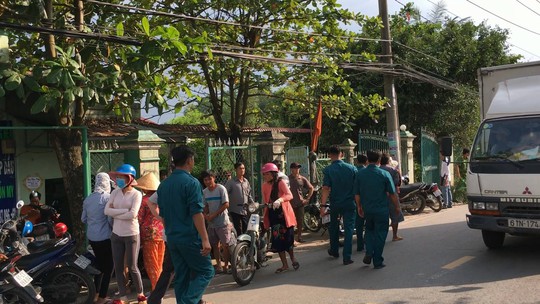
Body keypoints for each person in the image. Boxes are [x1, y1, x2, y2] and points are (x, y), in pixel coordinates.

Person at [156, 145, 214, 304]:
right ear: (189, 160)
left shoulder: (164, 185)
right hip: (189, 237)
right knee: (206, 271)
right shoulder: (192, 182)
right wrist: (205, 238)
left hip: (173, 238)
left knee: (182, 275)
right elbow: (196, 213)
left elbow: (163, 215)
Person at [105, 164, 146, 304]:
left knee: (132, 265)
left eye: (121, 177)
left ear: (129, 178)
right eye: (117, 177)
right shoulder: (115, 192)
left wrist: (116, 212)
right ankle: (123, 297)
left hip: (131, 234)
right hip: (116, 234)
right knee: (118, 266)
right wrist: (124, 212)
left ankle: (140, 294)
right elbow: (106, 211)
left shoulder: (136, 194)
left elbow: (133, 214)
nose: (118, 179)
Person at [355, 150, 400, 269]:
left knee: (369, 231)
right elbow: (392, 193)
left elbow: (357, 194)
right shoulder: (384, 174)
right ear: (379, 161)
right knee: (380, 234)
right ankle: (377, 260)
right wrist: (397, 207)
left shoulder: (360, 174)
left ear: (368, 160)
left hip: (367, 209)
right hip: (381, 210)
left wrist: (359, 206)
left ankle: (369, 251)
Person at [320, 145, 357, 265]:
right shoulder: (352, 169)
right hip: (349, 203)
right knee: (349, 228)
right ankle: (347, 256)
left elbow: (326, 188)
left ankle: (334, 250)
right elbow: (357, 188)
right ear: (341, 154)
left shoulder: (328, 170)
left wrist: (323, 205)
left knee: (334, 227)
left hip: (335, 203)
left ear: (330, 155)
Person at [81, 172, 114, 304]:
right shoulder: (108, 198)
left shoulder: (88, 199)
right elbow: (110, 219)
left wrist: (94, 222)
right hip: (106, 237)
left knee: (99, 266)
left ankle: (96, 294)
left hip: (92, 237)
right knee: (109, 267)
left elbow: (83, 219)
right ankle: (102, 297)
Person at [261, 162, 299, 273]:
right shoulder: (264, 186)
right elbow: (265, 200)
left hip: (284, 215)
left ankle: (293, 259)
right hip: (274, 215)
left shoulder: (281, 182)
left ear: (273, 174)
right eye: (264, 174)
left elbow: (289, 195)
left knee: (288, 240)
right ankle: (284, 265)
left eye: (267, 174)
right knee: (278, 241)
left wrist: (280, 200)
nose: (265, 176)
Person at [201, 170, 235, 274]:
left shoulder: (221, 188)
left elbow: (226, 204)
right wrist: (206, 215)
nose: (208, 181)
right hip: (211, 223)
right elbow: (205, 205)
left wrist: (214, 214)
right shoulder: (205, 192)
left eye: (209, 179)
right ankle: (219, 265)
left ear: (214, 178)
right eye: (205, 180)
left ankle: (226, 266)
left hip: (222, 222)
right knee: (215, 245)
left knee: (225, 245)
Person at [136, 172, 164, 291]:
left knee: (151, 262)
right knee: (159, 261)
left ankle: (156, 287)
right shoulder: (162, 198)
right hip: (162, 233)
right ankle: (160, 286)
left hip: (148, 235)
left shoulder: (144, 200)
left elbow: (139, 218)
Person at [225, 162, 254, 235]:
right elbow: (224, 194)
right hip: (234, 210)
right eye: (240, 168)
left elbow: (249, 195)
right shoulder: (231, 182)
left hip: (245, 210)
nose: (242, 170)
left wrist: (253, 204)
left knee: (246, 228)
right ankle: (238, 244)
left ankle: (245, 244)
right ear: (236, 170)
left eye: (243, 168)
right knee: (238, 229)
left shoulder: (246, 181)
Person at [380, 153, 404, 241]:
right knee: (395, 216)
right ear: (388, 161)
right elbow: (397, 183)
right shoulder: (394, 170)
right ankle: (394, 235)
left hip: (380, 197)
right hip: (392, 196)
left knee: (382, 218)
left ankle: (382, 237)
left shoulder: (377, 170)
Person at [288, 162, 314, 244]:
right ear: (291, 169)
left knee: (300, 221)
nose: (297, 170)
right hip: (290, 203)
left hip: (300, 203)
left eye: (298, 168)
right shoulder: (287, 179)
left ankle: (299, 237)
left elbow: (311, 188)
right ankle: (291, 239)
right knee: (290, 222)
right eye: (295, 168)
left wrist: (307, 198)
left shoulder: (302, 179)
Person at [355, 154, 368, 252]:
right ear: (366, 161)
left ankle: (360, 244)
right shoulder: (367, 171)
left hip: (355, 200)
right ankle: (367, 241)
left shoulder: (354, 171)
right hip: (367, 200)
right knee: (368, 222)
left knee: (358, 224)